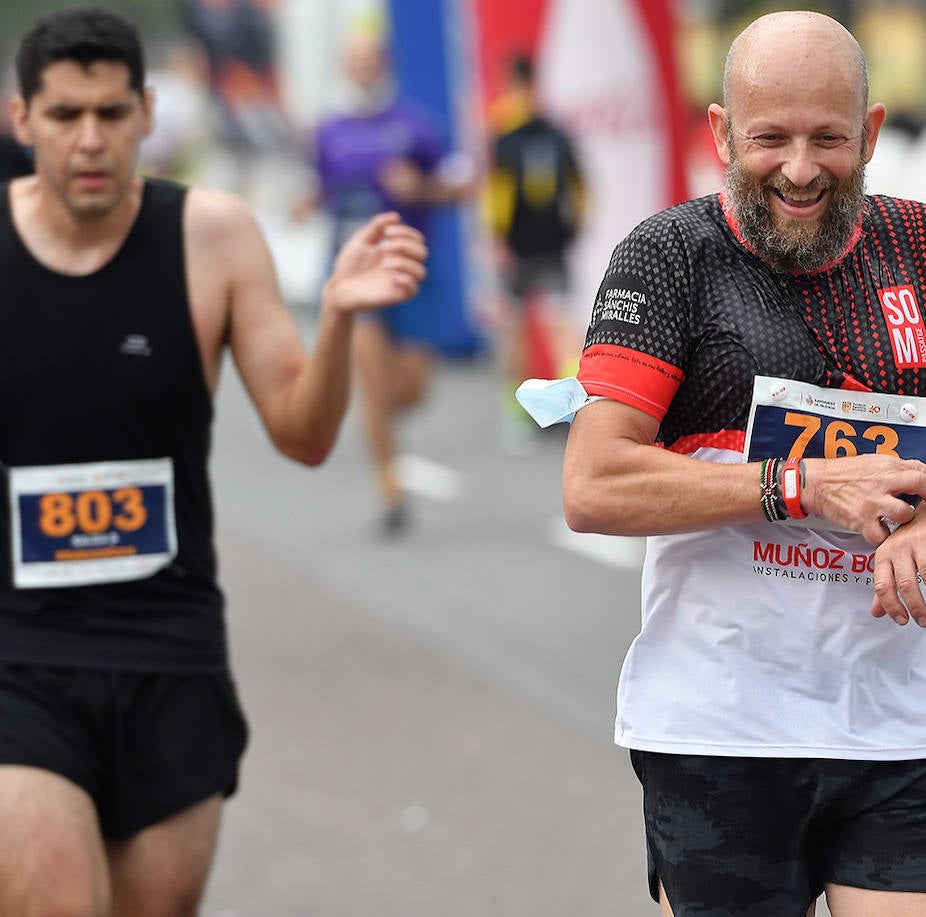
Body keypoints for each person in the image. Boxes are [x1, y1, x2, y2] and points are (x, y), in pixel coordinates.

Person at [558, 11, 926, 917]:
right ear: (723, 133)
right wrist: (801, 484)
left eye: (829, 139)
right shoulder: (668, 259)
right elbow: (593, 482)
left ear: (873, 134)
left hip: (908, 723)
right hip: (721, 726)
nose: (801, 170)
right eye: (770, 138)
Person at [0, 8, 426, 915]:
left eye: (111, 114)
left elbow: (303, 436)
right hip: (19, 653)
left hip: (170, 651)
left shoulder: (213, 237)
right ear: (20, 117)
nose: (89, 140)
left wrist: (339, 319)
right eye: (65, 114)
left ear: (149, 112)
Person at [299, 28, 470, 532]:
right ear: (343, 69)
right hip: (356, 275)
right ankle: (390, 488)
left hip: (411, 270)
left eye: (370, 61)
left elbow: (458, 186)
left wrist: (420, 187)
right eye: (354, 62)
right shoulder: (327, 130)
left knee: (411, 389)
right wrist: (306, 201)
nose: (362, 69)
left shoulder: (415, 126)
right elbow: (319, 186)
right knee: (372, 379)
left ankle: (376, 419)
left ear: (384, 65)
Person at [486, 53, 585, 447]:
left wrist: (498, 238)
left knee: (513, 326)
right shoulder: (558, 134)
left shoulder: (504, 135)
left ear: (513, 83)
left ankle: (518, 415)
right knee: (560, 323)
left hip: (517, 245)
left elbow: (496, 194)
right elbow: (581, 190)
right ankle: (570, 407)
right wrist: (570, 231)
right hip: (554, 243)